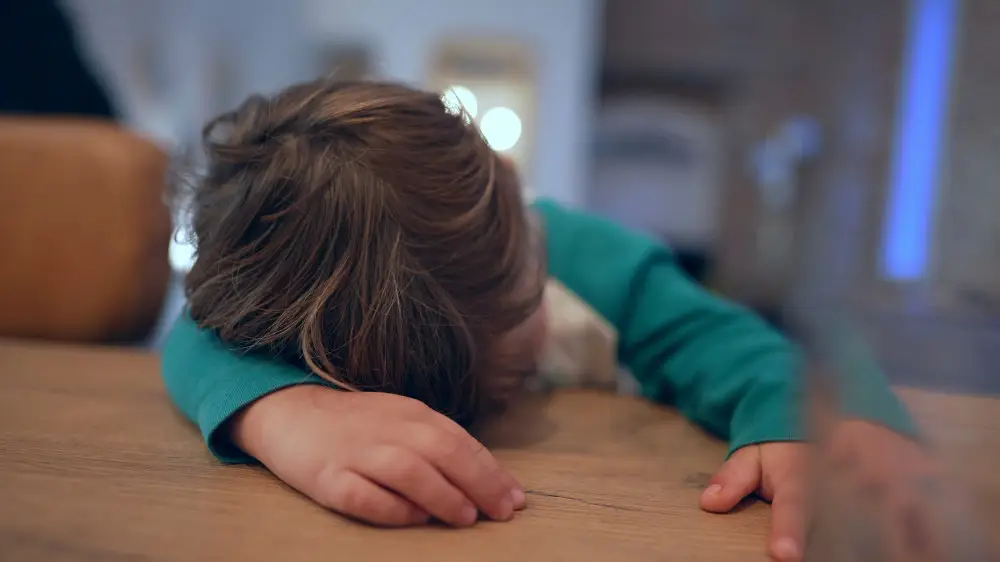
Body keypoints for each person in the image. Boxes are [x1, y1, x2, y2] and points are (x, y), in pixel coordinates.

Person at [162, 79, 930, 562]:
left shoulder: (590, 259)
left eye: (519, 363)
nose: (529, 351)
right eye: (501, 386)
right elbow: (193, 333)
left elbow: (745, 343)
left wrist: (818, 420)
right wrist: (287, 414)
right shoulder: (303, 311)